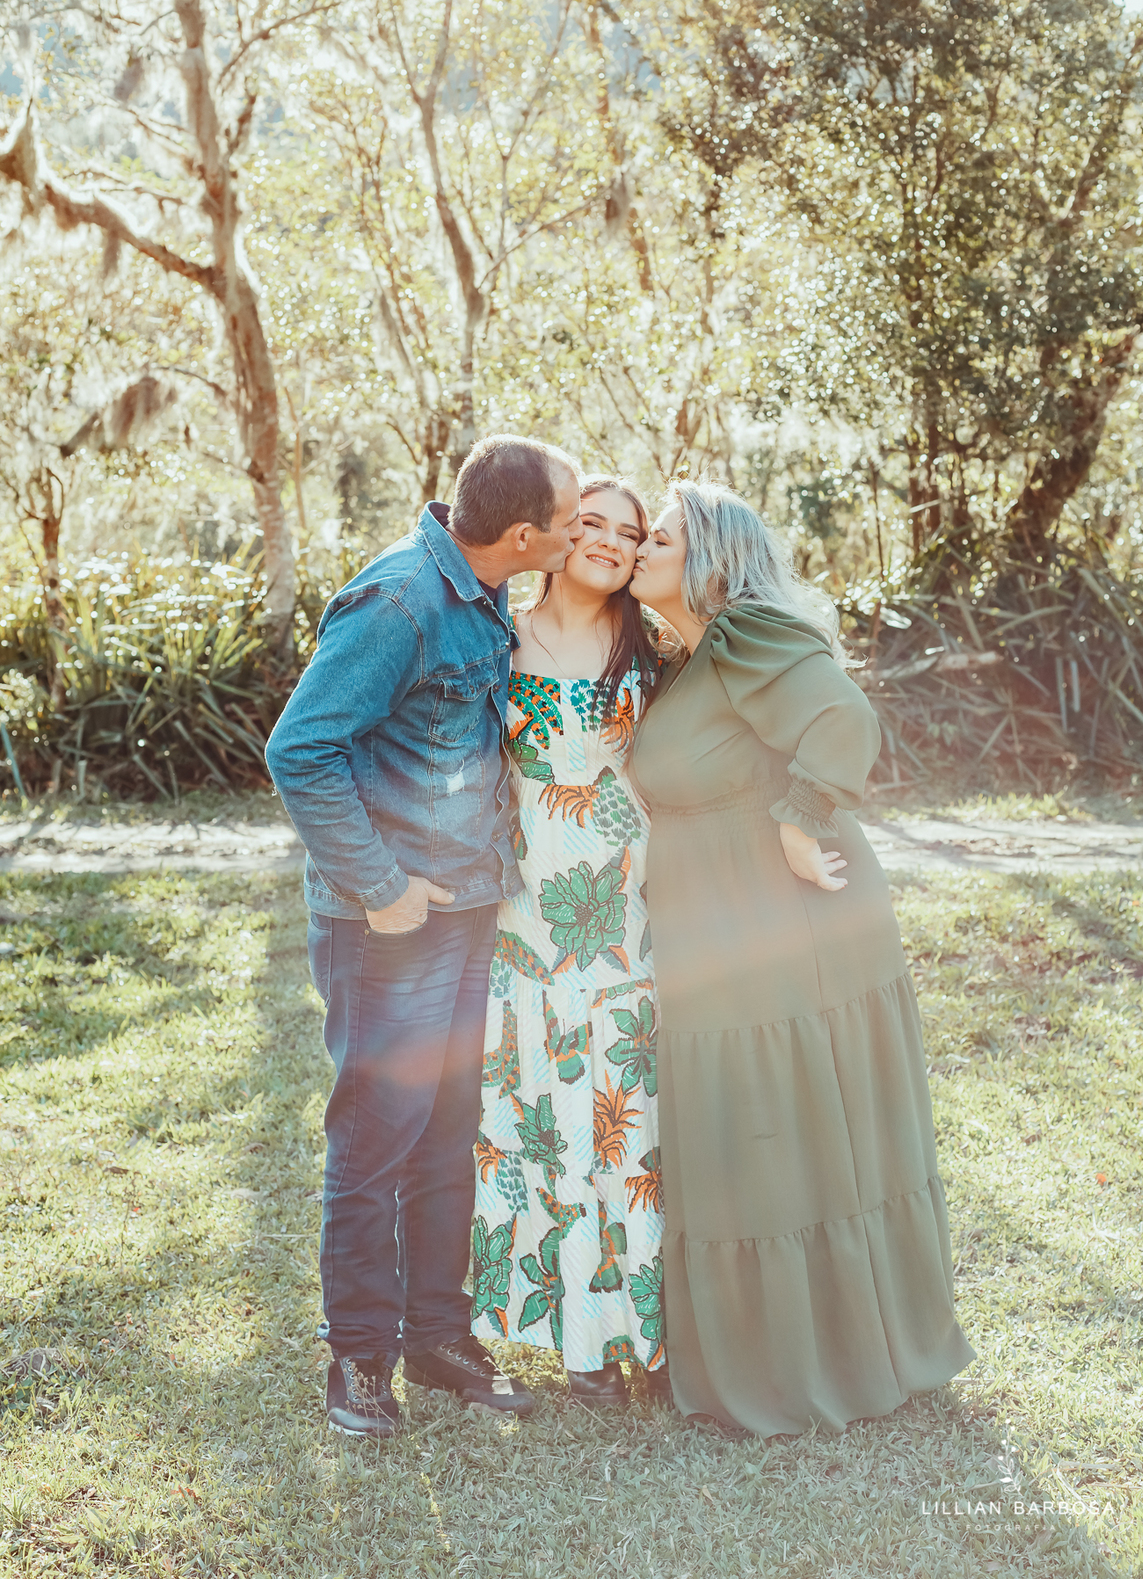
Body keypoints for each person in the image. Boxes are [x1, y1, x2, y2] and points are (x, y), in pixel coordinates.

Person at [627, 479, 974, 1436]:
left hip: (791, 912)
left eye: (659, 533)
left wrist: (800, 816)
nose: (640, 546)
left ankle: (835, 1353)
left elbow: (842, 719)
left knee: (791, 1115)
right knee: (754, 1120)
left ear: (712, 557)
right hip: (717, 923)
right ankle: (765, 1346)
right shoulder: (680, 661)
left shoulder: (744, 634)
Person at [265, 435, 583, 1437]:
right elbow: (301, 748)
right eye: (569, 520)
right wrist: (380, 884)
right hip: (390, 925)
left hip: (466, 912)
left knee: (449, 1129)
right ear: (524, 533)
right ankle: (357, 1361)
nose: (577, 533)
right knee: (376, 1137)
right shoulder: (402, 600)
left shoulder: (483, 592)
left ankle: (438, 1338)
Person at [469, 478, 670, 1408]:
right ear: (555, 532)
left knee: (628, 1117)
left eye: (629, 534)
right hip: (531, 904)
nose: (610, 542)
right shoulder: (494, 634)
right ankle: (581, 1344)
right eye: (591, 521)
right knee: (551, 1109)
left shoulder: (651, 644)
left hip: (625, 904)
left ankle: (651, 1336)